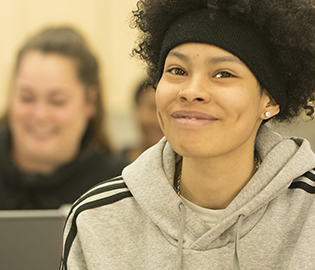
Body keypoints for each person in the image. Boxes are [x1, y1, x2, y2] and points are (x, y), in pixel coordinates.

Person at [61, 0, 315, 269]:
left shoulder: (308, 213)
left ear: (270, 100)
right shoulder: (96, 219)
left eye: (223, 74)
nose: (191, 90)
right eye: (177, 71)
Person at [0, 26, 129, 210]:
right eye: (26, 98)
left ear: (89, 101)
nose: (40, 115)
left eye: (57, 101)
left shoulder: (118, 187)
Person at [123, 78, 164, 161]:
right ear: (137, 110)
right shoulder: (113, 166)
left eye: (167, 111)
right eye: (153, 108)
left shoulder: (188, 169)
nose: (159, 119)